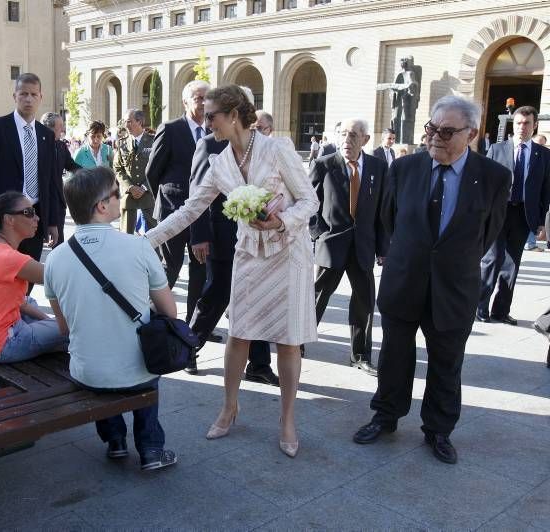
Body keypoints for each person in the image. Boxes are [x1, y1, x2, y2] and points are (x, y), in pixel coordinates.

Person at [147, 85, 319, 457]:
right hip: (247, 256)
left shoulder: (278, 149)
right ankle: (229, 407)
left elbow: (310, 200)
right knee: (238, 333)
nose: (206, 122)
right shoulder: (219, 161)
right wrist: (145, 240)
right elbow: (190, 210)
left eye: (212, 116)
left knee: (288, 340)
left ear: (235, 115)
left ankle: (287, 419)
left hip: (287, 254)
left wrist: (281, 221)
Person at [353, 95, 509, 464]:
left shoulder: (494, 177)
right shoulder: (404, 168)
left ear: (470, 133)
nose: (435, 137)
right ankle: (386, 416)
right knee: (393, 356)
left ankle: (438, 431)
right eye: (431, 129)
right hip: (404, 281)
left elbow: (488, 233)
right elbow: (390, 220)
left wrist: (449, 258)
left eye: (447, 131)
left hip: (454, 288)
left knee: (447, 363)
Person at [44, 166, 178, 471]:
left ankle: (115, 440)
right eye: (116, 193)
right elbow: (170, 313)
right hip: (137, 372)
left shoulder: (55, 259)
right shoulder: (138, 246)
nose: (120, 199)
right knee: (146, 361)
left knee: (99, 363)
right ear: (102, 206)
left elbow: (64, 327)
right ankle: (151, 448)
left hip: (87, 373)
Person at [187, 99, 279, 386]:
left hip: (260, 239)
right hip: (223, 238)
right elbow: (197, 196)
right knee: (216, 296)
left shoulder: (266, 151)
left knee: (259, 299)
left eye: (265, 129)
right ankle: (189, 348)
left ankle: (259, 364)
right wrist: (199, 236)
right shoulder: (210, 146)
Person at [309, 118, 388, 376]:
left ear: (365, 139)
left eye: (353, 135)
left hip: (363, 246)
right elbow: (309, 202)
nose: (347, 140)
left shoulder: (378, 166)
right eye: (343, 134)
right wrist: (318, 234)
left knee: (365, 300)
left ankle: (361, 355)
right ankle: (298, 341)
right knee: (318, 296)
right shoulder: (324, 164)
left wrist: (383, 248)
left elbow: (383, 210)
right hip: (332, 243)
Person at [0, 191, 68, 363]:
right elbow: (64, 278)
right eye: (29, 212)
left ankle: (47, 338)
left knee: (29, 302)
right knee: (76, 328)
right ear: (9, 220)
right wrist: (59, 328)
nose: (37, 218)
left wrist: (49, 323)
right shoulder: (11, 259)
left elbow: (20, 303)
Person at [0, 72, 59, 263]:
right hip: (4, 220)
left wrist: (53, 221)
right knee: (3, 272)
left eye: (34, 95)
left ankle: (24, 296)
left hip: (34, 218)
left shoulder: (46, 135)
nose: (28, 99)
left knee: (28, 274)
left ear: (40, 97)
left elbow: (51, 181)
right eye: (23, 94)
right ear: (15, 96)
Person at [145, 79, 211, 332]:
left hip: (203, 216)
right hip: (173, 212)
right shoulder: (171, 128)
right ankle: (153, 318)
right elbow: (153, 172)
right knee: (169, 268)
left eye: (208, 97)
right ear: (186, 102)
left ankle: (192, 327)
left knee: (200, 272)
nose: (204, 102)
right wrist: (165, 200)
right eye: (199, 98)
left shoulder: (215, 132)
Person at [478, 106, 550, 323]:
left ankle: (500, 311)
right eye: (518, 123)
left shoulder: (544, 155)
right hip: (498, 213)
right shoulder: (497, 150)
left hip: (523, 215)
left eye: (527, 123)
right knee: (492, 259)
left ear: (534, 125)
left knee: (512, 265)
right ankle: (479, 308)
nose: (522, 127)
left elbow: (546, 190)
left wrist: (542, 223)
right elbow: (484, 184)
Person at [41, 112, 81, 245]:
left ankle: (56, 266)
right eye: (60, 126)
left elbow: (71, 165)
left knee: (58, 240)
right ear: (49, 128)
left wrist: (91, 173)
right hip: (39, 201)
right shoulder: (37, 146)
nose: (63, 130)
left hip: (58, 202)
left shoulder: (61, 146)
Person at [113, 109, 155, 234]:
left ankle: (154, 255)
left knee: (155, 236)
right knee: (126, 236)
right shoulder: (122, 143)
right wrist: (130, 186)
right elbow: (118, 167)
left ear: (140, 122)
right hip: (129, 196)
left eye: (129, 122)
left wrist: (144, 187)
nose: (126, 125)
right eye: (126, 122)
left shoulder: (153, 141)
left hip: (148, 195)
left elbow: (157, 167)